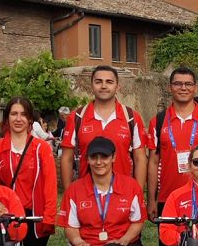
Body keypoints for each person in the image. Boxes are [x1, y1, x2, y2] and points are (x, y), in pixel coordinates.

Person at [0, 97, 58, 246]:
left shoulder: (41, 148)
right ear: (7, 118)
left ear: (30, 119)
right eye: (14, 114)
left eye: (23, 114)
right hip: (7, 214)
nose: (18, 119)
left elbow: (50, 184)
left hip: (34, 215)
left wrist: (48, 217)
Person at [58, 65, 148, 196]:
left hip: (123, 194)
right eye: (98, 81)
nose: (104, 86)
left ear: (117, 86)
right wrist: (69, 195)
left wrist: (137, 194)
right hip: (87, 195)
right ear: (91, 85)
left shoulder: (131, 117)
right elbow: (67, 158)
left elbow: (140, 158)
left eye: (109, 82)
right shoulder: (77, 117)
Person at [147, 67, 198, 221]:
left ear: (195, 88)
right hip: (167, 198)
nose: (183, 88)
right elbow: (153, 163)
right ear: (170, 87)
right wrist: (151, 200)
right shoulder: (158, 122)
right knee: (169, 237)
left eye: (188, 84)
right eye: (177, 84)